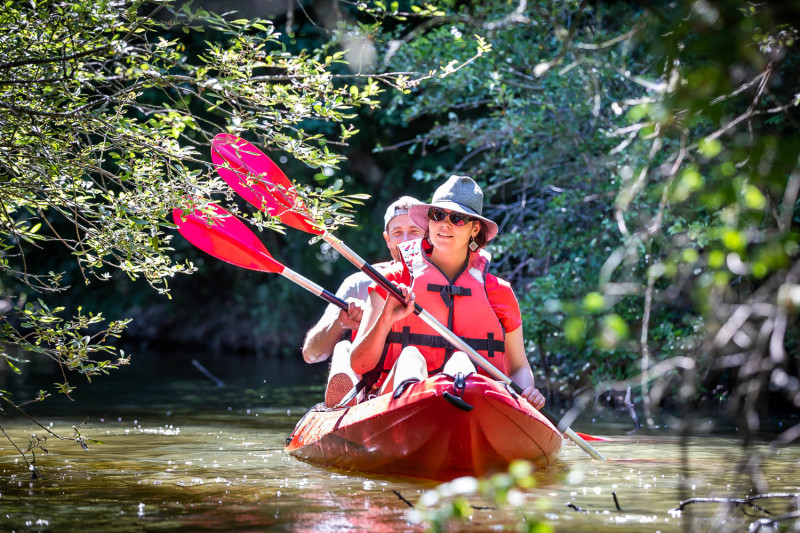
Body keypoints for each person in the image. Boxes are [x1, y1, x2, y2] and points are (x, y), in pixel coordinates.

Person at [350, 175, 546, 409]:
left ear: (475, 229)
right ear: (429, 222)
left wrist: (527, 393)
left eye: (458, 219)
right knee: (410, 357)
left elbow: (518, 368)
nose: (445, 223)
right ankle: (415, 411)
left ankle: (460, 406)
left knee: (461, 361)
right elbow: (359, 366)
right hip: (398, 402)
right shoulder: (392, 281)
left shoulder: (499, 292)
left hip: (474, 402)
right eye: (438, 215)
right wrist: (385, 321)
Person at [301, 196, 425, 406]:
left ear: (428, 236)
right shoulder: (358, 284)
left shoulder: (440, 284)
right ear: (387, 239)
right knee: (343, 349)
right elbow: (311, 354)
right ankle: (344, 404)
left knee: (411, 356)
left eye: (415, 231)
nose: (406, 239)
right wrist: (339, 323)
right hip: (367, 396)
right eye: (397, 233)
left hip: (416, 387)